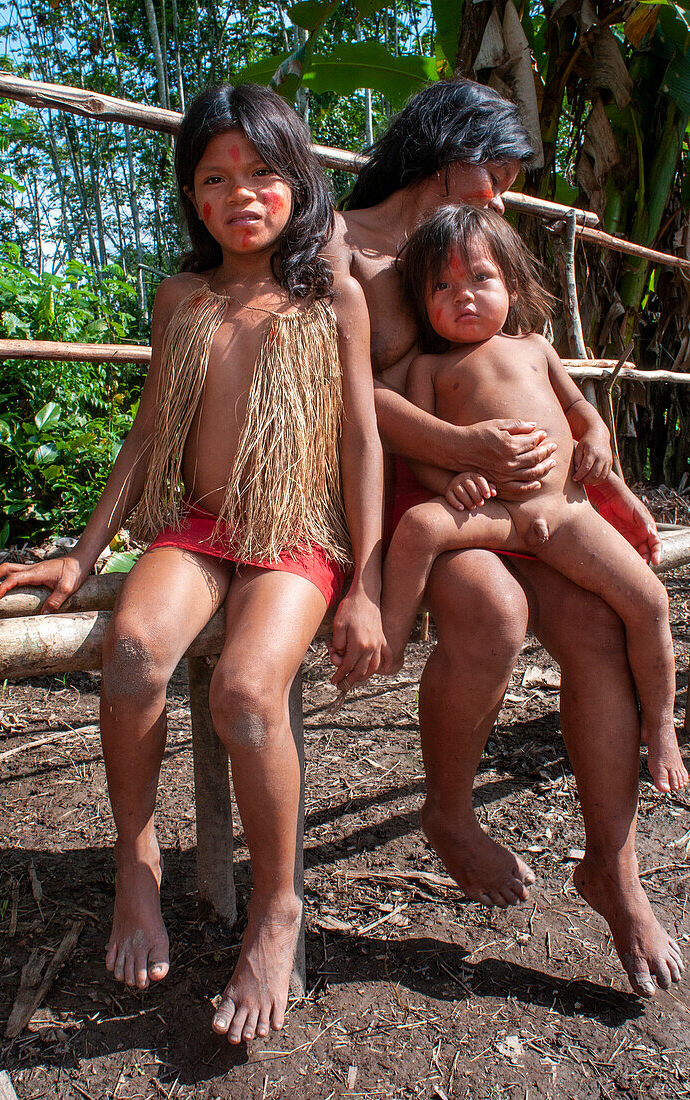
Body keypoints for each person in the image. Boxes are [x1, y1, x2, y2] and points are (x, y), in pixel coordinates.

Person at [0, 83, 386, 1043]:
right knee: (130, 656)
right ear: (192, 198)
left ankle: (277, 904)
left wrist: (363, 584)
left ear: (300, 184)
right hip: (198, 527)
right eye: (215, 177)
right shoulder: (182, 297)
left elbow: (364, 440)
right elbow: (148, 429)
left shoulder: (332, 299)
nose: (241, 193)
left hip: (293, 533)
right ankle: (136, 860)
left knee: (246, 695)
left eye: (262, 172)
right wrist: (82, 558)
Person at [330, 76, 685, 997]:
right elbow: (343, 393)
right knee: (488, 610)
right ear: (449, 152)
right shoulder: (348, 246)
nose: (496, 194)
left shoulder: (475, 250)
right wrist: (459, 445)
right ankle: (447, 816)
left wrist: (601, 470)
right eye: (490, 172)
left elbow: (539, 377)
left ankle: (613, 866)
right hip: (409, 484)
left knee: (602, 631)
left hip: (521, 491)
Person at [381, 204, 687, 797]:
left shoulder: (536, 348)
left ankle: (662, 725)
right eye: (441, 286)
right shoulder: (429, 367)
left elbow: (580, 411)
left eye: (480, 278)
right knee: (421, 524)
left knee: (649, 600)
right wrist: (449, 484)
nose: (462, 296)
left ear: (513, 285)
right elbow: (420, 446)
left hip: (568, 514)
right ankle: (392, 637)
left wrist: (596, 439)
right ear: (423, 304)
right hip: (496, 515)